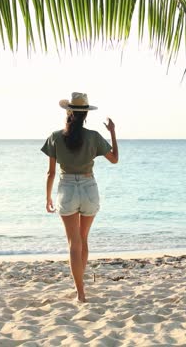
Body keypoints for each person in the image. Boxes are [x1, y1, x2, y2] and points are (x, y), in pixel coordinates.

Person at [41, 92, 118, 303]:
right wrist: (112, 132)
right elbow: (114, 160)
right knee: (83, 240)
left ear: (69, 112)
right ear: (85, 115)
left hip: (67, 189)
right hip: (89, 188)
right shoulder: (93, 137)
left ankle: (80, 293)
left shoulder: (56, 136)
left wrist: (48, 197)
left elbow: (51, 173)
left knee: (74, 244)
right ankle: (80, 286)